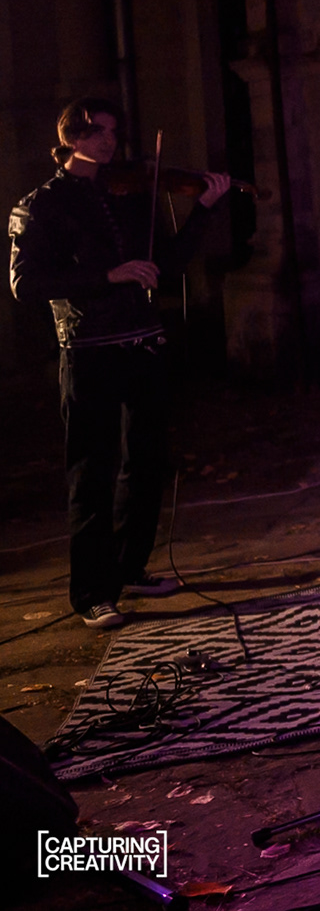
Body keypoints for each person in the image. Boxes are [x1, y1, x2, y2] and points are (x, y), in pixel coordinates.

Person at [8, 98, 231, 630]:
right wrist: (107, 276)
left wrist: (204, 208)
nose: (109, 141)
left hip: (144, 342)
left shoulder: (129, 195)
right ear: (71, 137)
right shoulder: (40, 204)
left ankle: (130, 567)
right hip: (88, 349)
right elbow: (25, 284)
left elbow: (166, 263)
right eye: (96, 131)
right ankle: (92, 592)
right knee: (92, 471)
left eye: (112, 131)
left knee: (147, 461)